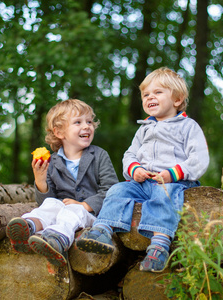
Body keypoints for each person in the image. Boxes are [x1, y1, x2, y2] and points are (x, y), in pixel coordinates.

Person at [76, 67, 210, 272]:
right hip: (142, 182)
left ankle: (159, 246)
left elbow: (199, 158)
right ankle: (102, 230)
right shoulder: (144, 129)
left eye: (157, 92)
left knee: (163, 197)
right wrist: (134, 169)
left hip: (173, 182)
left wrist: (173, 173)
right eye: (146, 94)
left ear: (177, 99)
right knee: (117, 190)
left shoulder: (187, 126)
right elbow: (129, 155)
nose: (150, 97)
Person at [6, 99, 119, 267]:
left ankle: (59, 240)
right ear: (59, 132)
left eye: (89, 122)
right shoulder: (52, 162)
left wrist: (84, 205)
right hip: (63, 210)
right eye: (78, 122)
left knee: (73, 210)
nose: (87, 126)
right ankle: (28, 226)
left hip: (92, 215)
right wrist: (40, 179)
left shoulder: (99, 155)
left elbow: (112, 190)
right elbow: (46, 202)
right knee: (51, 203)